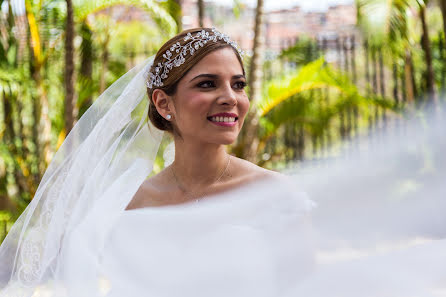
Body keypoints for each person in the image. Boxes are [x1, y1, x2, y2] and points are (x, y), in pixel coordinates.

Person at [0, 27, 445, 297]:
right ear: (164, 102)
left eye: (238, 83)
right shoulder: (126, 203)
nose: (229, 98)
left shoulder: (275, 195)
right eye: (208, 83)